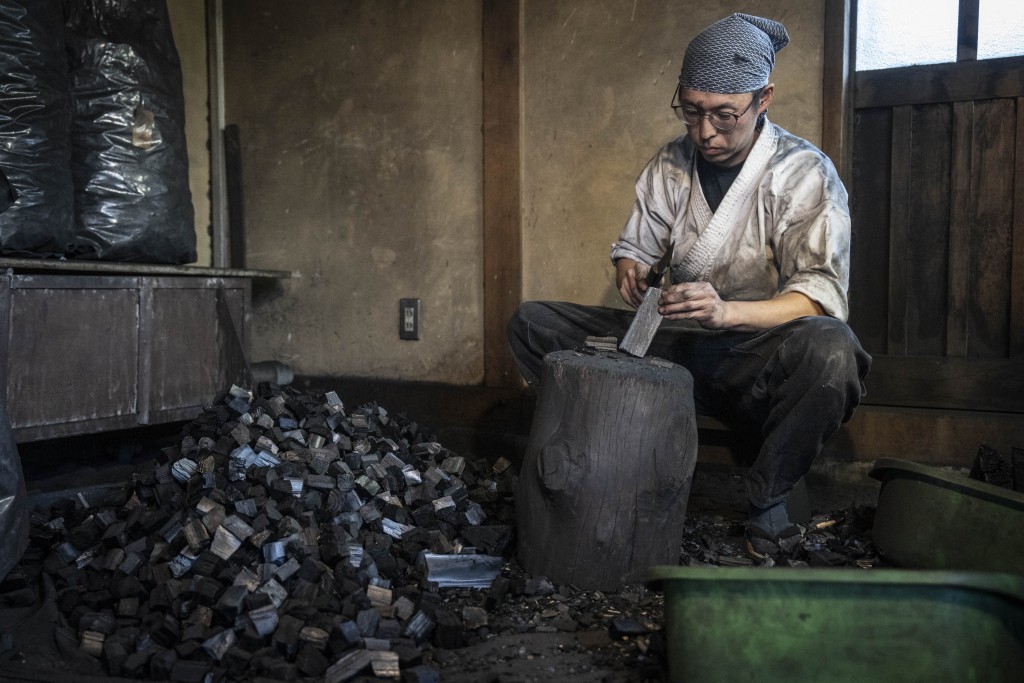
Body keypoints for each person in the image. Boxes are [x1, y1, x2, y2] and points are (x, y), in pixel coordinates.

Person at [506, 13, 871, 559]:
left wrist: (726, 314)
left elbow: (817, 298)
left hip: (755, 361)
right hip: (673, 349)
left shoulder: (802, 174)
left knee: (834, 354)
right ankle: (609, 447)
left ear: (763, 98)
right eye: (692, 111)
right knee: (531, 323)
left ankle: (766, 496)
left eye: (725, 115)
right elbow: (638, 247)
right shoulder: (672, 164)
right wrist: (629, 268)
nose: (705, 132)